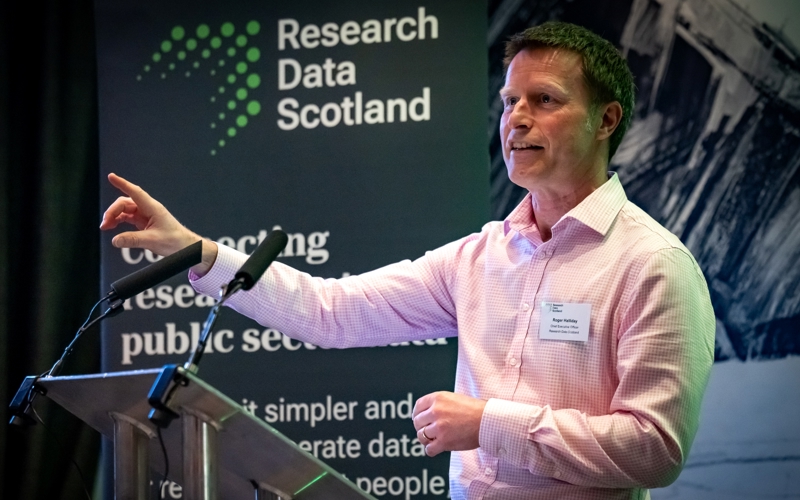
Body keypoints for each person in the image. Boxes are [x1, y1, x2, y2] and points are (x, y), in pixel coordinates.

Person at [101, 21, 715, 500]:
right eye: (509, 102)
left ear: (606, 120)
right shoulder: (481, 257)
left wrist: (490, 424)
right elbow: (330, 313)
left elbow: (654, 448)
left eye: (544, 99)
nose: (517, 118)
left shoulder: (653, 265)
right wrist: (196, 251)